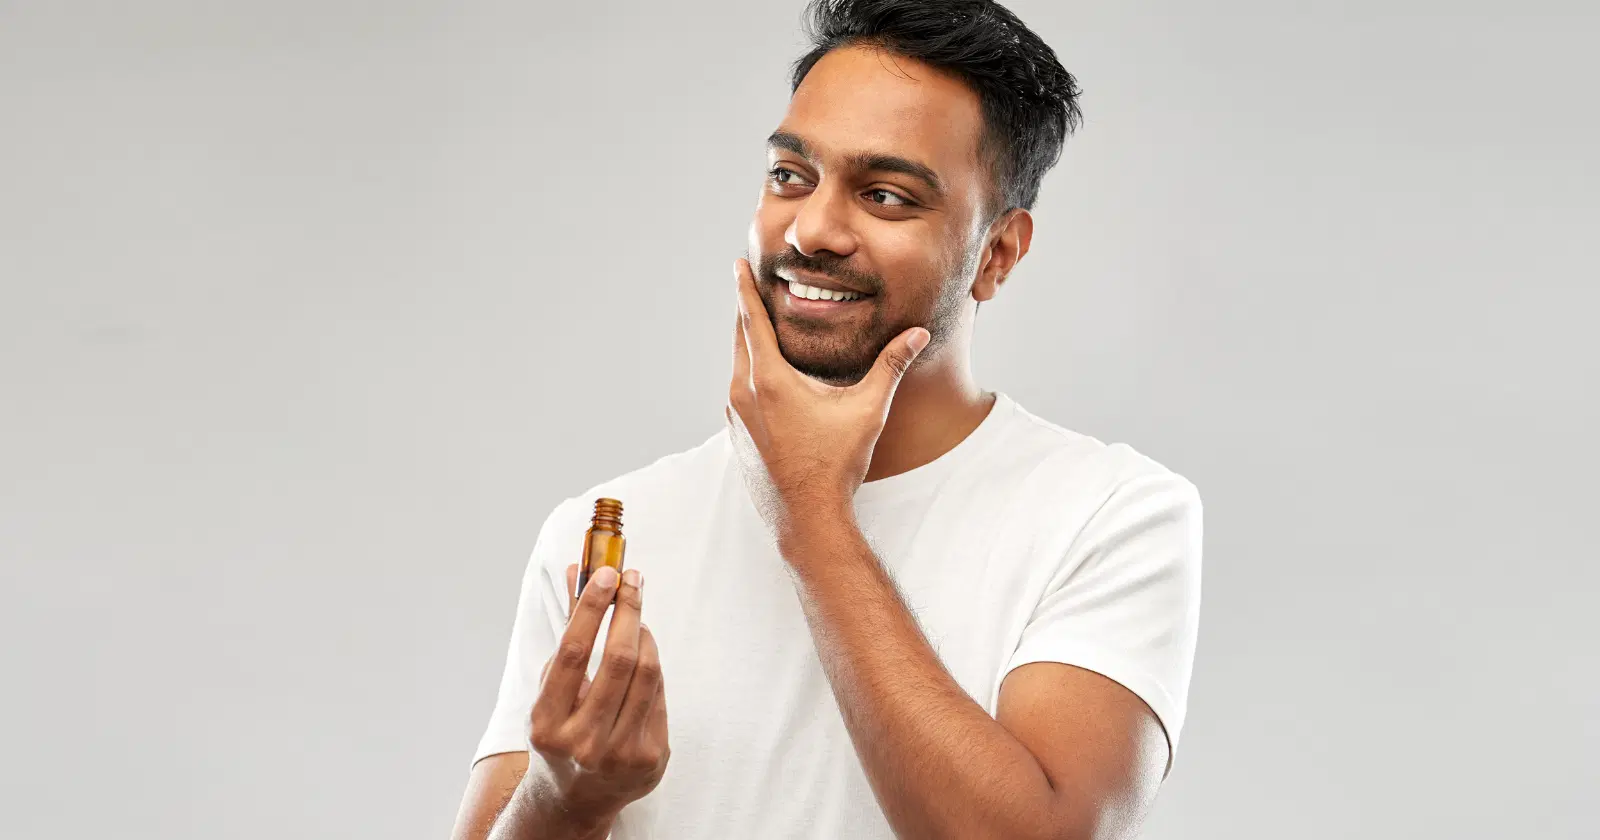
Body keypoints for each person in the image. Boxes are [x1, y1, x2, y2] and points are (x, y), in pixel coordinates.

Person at [450, 1, 1202, 837]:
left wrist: (810, 509)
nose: (810, 230)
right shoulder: (605, 532)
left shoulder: (1110, 514)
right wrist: (566, 798)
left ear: (997, 255)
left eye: (885, 196)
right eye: (789, 177)